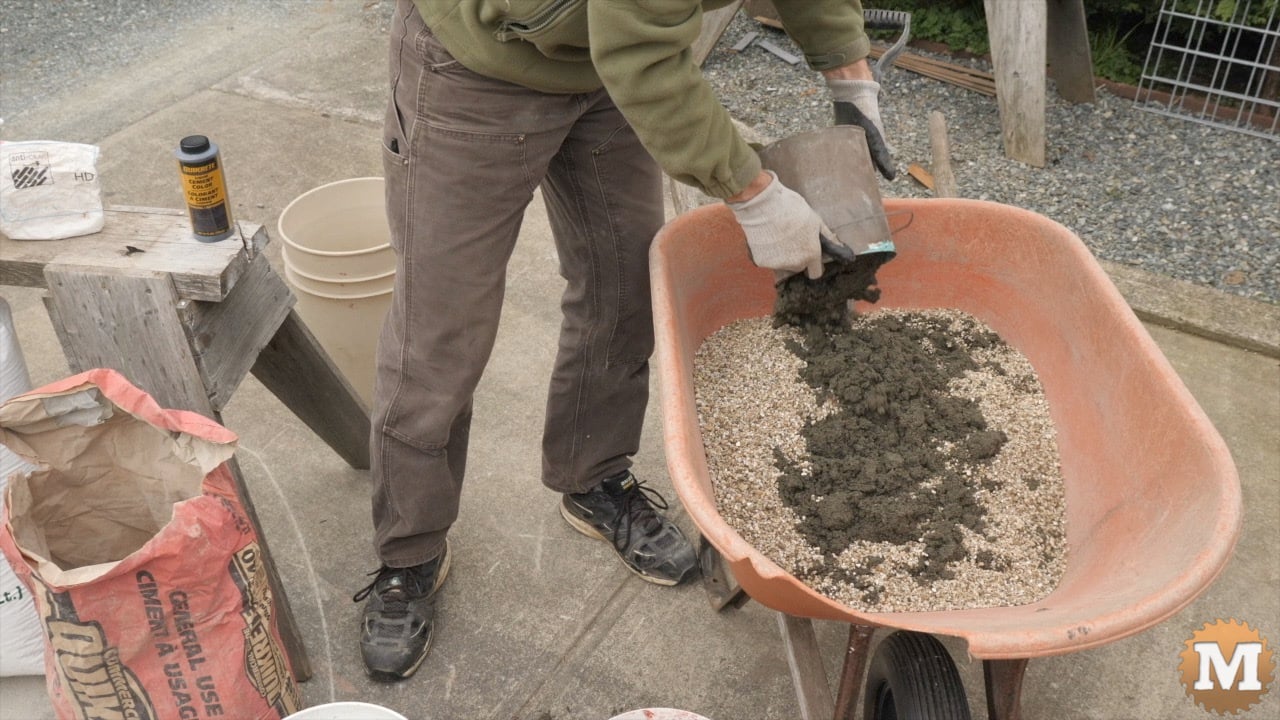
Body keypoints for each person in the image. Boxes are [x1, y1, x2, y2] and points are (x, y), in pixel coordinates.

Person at [354, 0, 895, 682]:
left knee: (626, 288)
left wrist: (850, 74)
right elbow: (643, 60)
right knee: (441, 334)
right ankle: (409, 552)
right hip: (477, 70)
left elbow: (637, 54)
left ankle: (593, 476)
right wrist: (754, 194)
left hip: (609, 73)